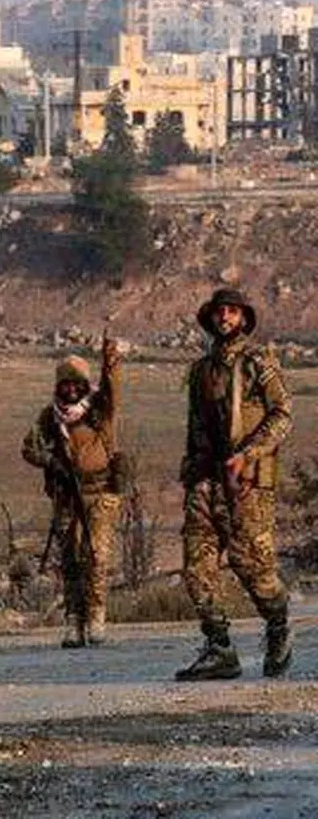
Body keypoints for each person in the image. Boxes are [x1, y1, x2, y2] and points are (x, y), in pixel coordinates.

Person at [176, 288, 293, 681]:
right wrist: (191, 470)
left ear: (243, 317)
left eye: (231, 311)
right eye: (218, 312)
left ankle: (278, 626)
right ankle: (219, 646)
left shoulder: (259, 362)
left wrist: (250, 453)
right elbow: (195, 426)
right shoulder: (201, 370)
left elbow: (282, 415)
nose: (224, 318)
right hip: (206, 480)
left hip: (246, 482)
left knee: (253, 566)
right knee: (197, 568)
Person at [21, 338, 124, 648]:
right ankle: (74, 620)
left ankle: (96, 616)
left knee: (97, 556)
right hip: (66, 495)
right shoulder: (49, 417)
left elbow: (113, 388)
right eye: (64, 384)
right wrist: (51, 460)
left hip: (100, 493)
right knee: (69, 559)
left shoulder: (99, 410)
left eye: (75, 383)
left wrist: (110, 362)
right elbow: (28, 448)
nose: (70, 390)